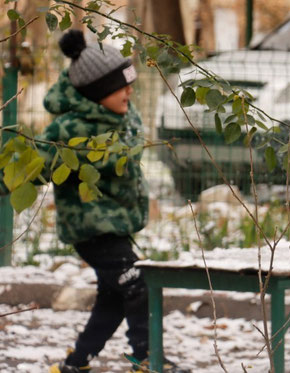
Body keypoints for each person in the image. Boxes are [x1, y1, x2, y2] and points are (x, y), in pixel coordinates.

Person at [42, 30, 189, 373]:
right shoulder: (67, 130)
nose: (129, 91)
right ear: (96, 92)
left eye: (130, 83)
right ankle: (147, 357)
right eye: (121, 86)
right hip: (91, 229)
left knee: (115, 298)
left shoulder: (124, 118)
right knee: (136, 285)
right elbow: (30, 165)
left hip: (117, 226)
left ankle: (76, 364)